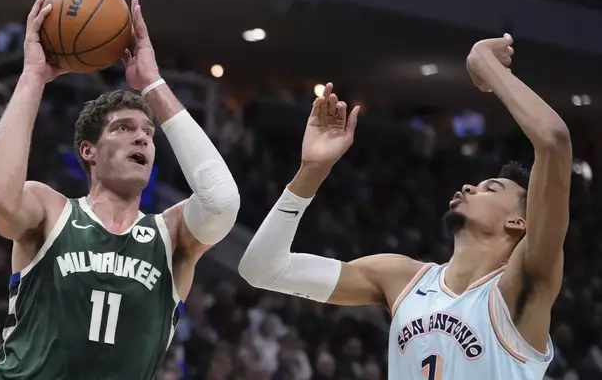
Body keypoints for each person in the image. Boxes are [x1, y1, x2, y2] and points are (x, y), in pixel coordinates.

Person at [239, 33, 571, 380]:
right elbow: (261, 270)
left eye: (491, 188)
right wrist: (311, 172)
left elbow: (554, 141)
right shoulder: (401, 278)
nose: (471, 186)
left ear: (519, 223)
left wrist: (483, 62)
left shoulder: (520, 286)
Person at [0, 0, 239, 380]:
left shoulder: (172, 237)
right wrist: (33, 76)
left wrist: (152, 83)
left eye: (148, 134)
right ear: (89, 151)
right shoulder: (51, 210)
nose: (142, 140)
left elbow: (221, 202)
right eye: (124, 129)